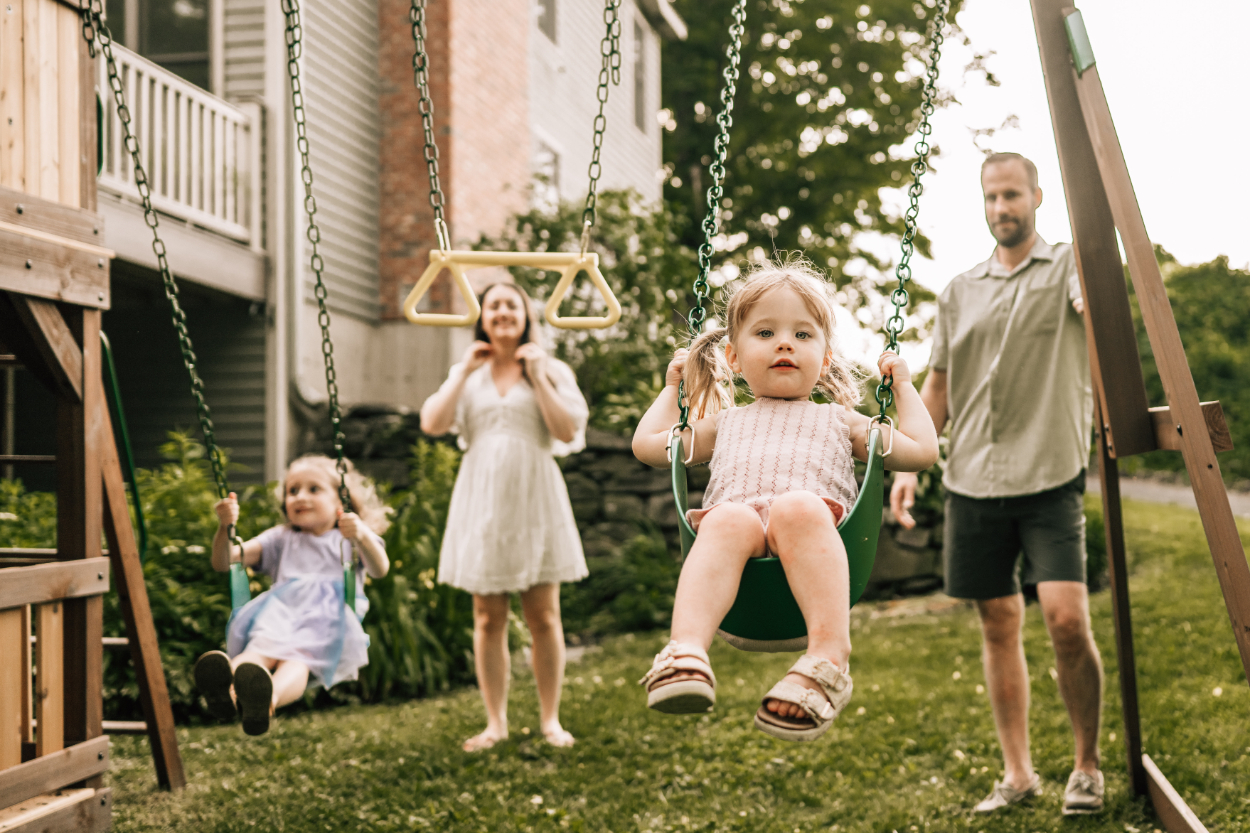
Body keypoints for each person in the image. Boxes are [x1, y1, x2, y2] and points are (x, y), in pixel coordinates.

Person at [632, 259, 939, 742]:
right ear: (732, 358)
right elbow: (648, 446)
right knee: (728, 517)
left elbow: (921, 451)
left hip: (811, 563)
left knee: (796, 506)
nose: (784, 343)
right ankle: (686, 652)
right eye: (766, 332)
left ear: (827, 356)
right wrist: (674, 390)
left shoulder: (843, 422)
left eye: (802, 334)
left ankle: (828, 656)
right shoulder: (724, 423)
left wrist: (902, 385)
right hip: (745, 587)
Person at [890, 152, 1105, 815]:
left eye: (1011, 194)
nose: (1000, 208)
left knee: (1067, 620)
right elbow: (939, 385)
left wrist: (1090, 294)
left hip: (1050, 473)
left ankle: (1086, 764)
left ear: (1037, 195)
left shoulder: (1071, 263)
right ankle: (1018, 772)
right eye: (990, 197)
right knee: (997, 622)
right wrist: (906, 465)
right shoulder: (959, 289)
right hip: (973, 477)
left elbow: (1099, 321)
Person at [420, 282, 589, 752]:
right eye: (493, 305)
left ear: (526, 315)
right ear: (483, 317)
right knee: (487, 617)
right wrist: (462, 372)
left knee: (544, 616)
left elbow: (567, 429)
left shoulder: (550, 369)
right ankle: (495, 723)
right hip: (482, 499)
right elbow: (432, 423)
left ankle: (550, 720)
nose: (502, 312)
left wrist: (537, 376)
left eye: (511, 304)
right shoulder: (467, 373)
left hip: (535, 495)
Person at [194, 454, 391, 736]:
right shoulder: (281, 538)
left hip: (324, 621)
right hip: (280, 614)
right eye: (292, 490)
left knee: (297, 662)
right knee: (255, 655)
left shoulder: (349, 539)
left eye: (314, 489)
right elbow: (225, 561)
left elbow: (380, 568)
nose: (300, 497)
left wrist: (361, 533)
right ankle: (225, 693)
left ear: (340, 501)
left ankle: (267, 700)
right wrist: (224, 527)